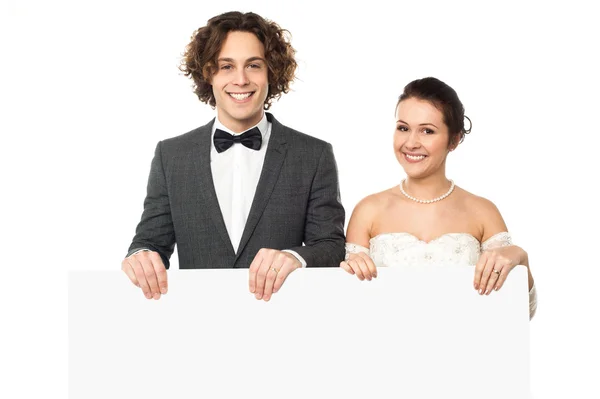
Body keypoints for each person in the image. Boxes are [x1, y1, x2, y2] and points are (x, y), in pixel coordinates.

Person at [121, 11, 345, 302]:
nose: (240, 80)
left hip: (285, 318)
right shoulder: (171, 155)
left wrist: (294, 256)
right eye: (226, 66)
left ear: (271, 72)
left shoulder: (313, 154)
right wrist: (141, 257)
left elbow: (331, 245)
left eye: (253, 65)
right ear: (208, 73)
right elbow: (150, 242)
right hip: (195, 319)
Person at [340, 77, 537, 319]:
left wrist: (520, 260)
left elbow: (521, 313)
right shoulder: (368, 210)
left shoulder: (483, 212)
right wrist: (346, 277)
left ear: (453, 140)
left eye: (427, 131)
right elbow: (349, 307)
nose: (411, 143)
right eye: (403, 128)